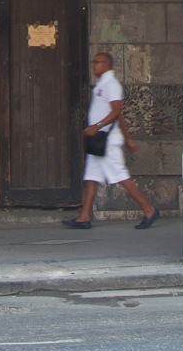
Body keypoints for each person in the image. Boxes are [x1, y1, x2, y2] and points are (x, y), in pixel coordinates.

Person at [64, 52, 159, 230]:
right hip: (98, 140)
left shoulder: (111, 84)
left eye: (97, 62)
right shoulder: (102, 84)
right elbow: (119, 116)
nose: (94, 65)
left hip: (106, 140)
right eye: (93, 62)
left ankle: (149, 210)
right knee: (91, 177)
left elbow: (116, 111)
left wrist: (97, 126)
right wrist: (127, 137)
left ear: (107, 64)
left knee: (120, 176)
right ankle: (83, 217)